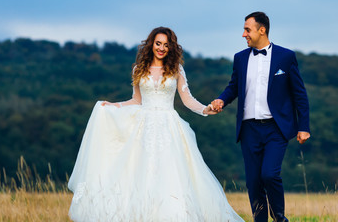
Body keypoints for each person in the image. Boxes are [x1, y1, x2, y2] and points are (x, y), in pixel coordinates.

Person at [68, 27, 244, 221]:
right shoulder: (138, 68)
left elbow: (187, 99)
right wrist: (113, 105)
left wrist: (205, 109)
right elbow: (136, 99)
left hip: (169, 126)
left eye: (166, 45)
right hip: (143, 127)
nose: (161, 48)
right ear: (151, 44)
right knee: (139, 173)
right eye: (158, 43)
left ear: (171, 48)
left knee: (170, 174)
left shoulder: (176, 69)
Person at [211, 12, 310, 222]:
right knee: (254, 182)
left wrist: (304, 126)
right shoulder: (240, 58)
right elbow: (233, 87)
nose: (243, 34)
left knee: (269, 174)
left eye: (247, 29)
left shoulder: (286, 57)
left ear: (262, 30)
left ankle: (280, 217)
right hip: (249, 130)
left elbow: (299, 94)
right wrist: (221, 100)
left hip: (277, 128)